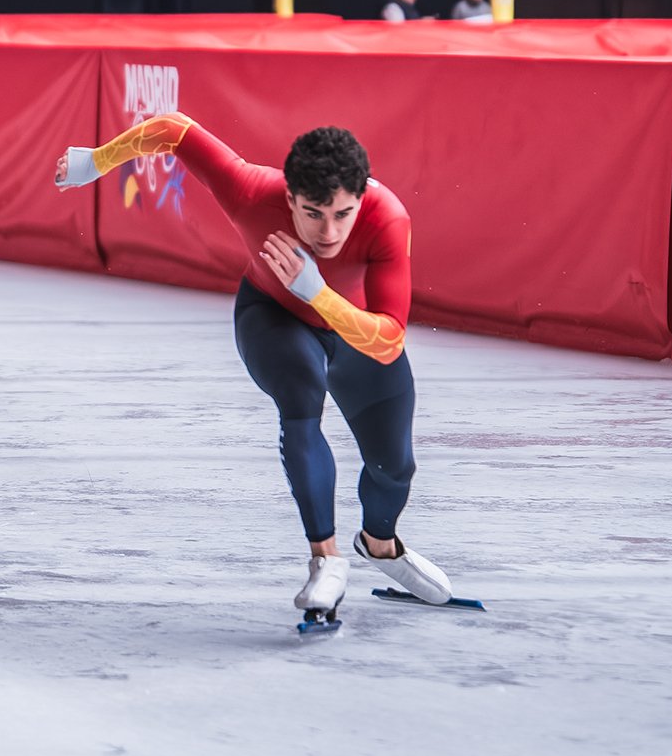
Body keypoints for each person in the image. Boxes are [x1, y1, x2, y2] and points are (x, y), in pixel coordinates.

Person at [54, 113, 453, 629]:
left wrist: (319, 294)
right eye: (312, 214)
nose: (329, 232)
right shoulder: (251, 192)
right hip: (275, 317)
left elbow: (389, 338)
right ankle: (326, 559)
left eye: (343, 214)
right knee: (301, 397)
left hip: (354, 332)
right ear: (289, 197)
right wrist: (96, 161)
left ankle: (380, 545)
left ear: (361, 198)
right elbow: (173, 131)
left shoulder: (387, 218)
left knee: (394, 467)